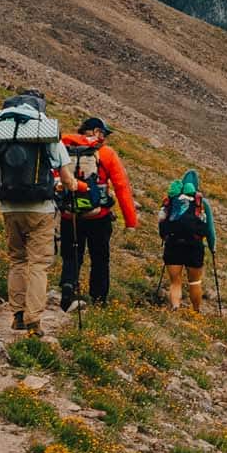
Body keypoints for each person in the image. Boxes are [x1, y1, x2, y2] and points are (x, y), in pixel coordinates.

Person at [0, 90, 77, 336]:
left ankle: (18, 315)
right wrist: (71, 185)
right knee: (38, 264)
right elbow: (65, 177)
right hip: (40, 208)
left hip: (9, 208)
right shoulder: (45, 131)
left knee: (18, 260)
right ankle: (34, 318)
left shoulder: (0, 133)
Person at [58, 117, 138, 310]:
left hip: (70, 214)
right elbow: (122, 187)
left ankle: (69, 285)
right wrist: (131, 221)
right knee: (100, 258)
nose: (105, 138)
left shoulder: (63, 148)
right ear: (96, 131)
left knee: (71, 255)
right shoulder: (106, 154)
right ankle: (99, 299)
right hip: (98, 216)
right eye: (104, 133)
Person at [157, 169, 217, 312]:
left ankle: (175, 306)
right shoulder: (201, 202)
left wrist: (164, 237)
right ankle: (196, 311)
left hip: (173, 244)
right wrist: (212, 246)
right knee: (194, 282)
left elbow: (161, 221)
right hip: (194, 246)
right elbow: (209, 229)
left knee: (175, 281)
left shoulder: (171, 199)